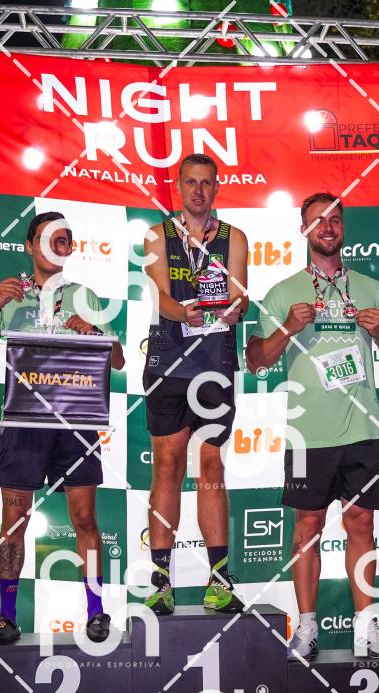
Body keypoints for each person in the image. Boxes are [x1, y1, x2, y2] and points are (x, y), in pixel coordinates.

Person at [246, 192, 379, 660]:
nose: (328, 227)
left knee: (362, 525)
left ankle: (368, 629)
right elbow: (255, 361)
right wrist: (287, 329)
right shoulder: (283, 292)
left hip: (364, 429)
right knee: (308, 528)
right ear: (305, 230)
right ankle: (307, 627)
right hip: (308, 433)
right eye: (318, 220)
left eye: (335, 219)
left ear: (343, 228)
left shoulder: (370, 288)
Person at [0, 211, 125, 645]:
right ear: (30, 246)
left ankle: (96, 612)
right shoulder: (12, 295)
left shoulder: (84, 296)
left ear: (70, 248)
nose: (57, 245)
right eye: (48, 238)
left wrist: (94, 332)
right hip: (23, 423)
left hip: (76, 422)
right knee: (14, 521)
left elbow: (118, 361)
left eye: (64, 239)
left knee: (85, 518)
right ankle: (7, 616)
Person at [142, 153, 249, 614]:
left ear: (217, 187)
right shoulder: (157, 235)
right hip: (168, 363)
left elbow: (241, 295)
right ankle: (161, 581)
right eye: (191, 182)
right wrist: (183, 312)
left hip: (213, 367)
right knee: (166, 466)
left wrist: (233, 309)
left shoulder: (234, 237)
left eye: (207, 183)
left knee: (211, 468)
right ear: (179, 187)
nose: (199, 190)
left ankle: (219, 580)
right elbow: (161, 297)